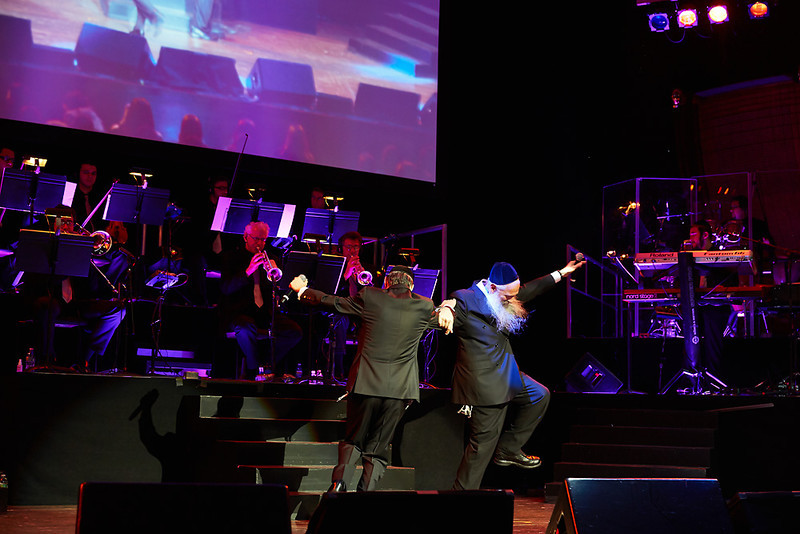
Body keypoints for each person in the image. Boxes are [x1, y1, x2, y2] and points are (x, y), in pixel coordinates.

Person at [288, 266, 451, 492]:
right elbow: (449, 321)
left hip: (365, 385)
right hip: (399, 392)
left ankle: (338, 484)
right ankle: (364, 496)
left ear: (386, 283)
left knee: (353, 440)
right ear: (411, 285)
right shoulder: (424, 306)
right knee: (377, 449)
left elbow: (332, 302)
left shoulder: (370, 296)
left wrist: (303, 290)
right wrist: (447, 308)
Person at [437, 258, 585, 490]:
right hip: (483, 383)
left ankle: (508, 448)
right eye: (508, 296)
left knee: (539, 395)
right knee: (481, 447)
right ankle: (461, 497)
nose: (512, 299)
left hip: (506, 373)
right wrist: (444, 309)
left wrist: (563, 272)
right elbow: (450, 306)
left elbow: (532, 289)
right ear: (492, 287)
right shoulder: (466, 298)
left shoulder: (505, 294)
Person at [21, 207, 126, 372]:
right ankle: (46, 360)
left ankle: (85, 359)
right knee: (46, 305)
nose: (66, 226)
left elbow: (92, 288)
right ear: (53, 223)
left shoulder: (79, 246)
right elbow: (35, 281)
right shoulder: (43, 244)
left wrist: (86, 255)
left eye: (69, 222)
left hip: (74, 302)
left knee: (118, 310)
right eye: (61, 221)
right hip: (51, 299)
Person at [218, 221, 303, 380]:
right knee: (245, 327)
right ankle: (253, 369)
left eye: (263, 239)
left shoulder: (272, 260)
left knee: (295, 331)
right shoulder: (231, 257)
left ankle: (267, 363)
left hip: (265, 313)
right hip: (239, 311)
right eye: (256, 238)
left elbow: (281, 291)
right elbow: (226, 288)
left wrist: (274, 278)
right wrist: (248, 271)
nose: (260, 243)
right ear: (245, 237)